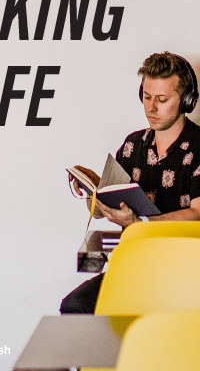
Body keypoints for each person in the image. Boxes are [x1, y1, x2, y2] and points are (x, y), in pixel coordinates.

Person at [60, 51, 200, 314]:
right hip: (133, 265)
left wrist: (141, 224)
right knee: (75, 306)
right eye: (146, 97)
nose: (151, 108)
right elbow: (102, 212)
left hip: (183, 273)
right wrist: (94, 189)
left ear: (187, 101)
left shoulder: (199, 146)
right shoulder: (133, 145)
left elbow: (197, 211)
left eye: (162, 99)